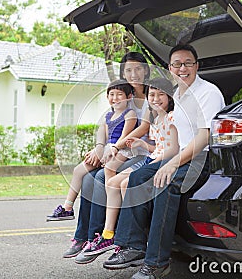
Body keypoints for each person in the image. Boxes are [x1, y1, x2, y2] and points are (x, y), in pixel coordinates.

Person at [102, 44, 225, 279]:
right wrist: (162, 159)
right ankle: (133, 246)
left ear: (196, 66)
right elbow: (175, 135)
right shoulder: (177, 94)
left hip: (202, 158)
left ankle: (158, 262)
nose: (182, 68)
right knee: (138, 176)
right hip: (180, 156)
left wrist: (172, 164)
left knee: (164, 184)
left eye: (187, 63)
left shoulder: (208, 93)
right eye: (176, 64)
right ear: (170, 68)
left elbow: (203, 136)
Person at [61, 52, 152, 264]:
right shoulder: (120, 95)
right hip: (117, 152)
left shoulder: (152, 96)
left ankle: (102, 236)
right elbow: (105, 126)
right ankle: (83, 237)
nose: (133, 74)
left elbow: (141, 131)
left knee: (102, 176)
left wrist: (114, 146)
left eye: (138, 68)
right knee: (87, 176)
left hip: (140, 153)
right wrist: (99, 148)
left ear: (146, 70)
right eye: (128, 70)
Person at [81, 78, 180, 257]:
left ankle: (135, 232)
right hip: (150, 158)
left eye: (161, 95)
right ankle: (109, 234)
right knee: (111, 183)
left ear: (170, 97)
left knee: (126, 184)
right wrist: (141, 145)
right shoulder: (155, 118)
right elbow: (156, 147)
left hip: (158, 162)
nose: (156, 99)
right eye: (152, 95)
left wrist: (156, 159)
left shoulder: (172, 118)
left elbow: (173, 149)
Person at [46, 79, 137, 221]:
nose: (115, 98)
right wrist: (99, 151)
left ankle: (110, 204)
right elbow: (105, 137)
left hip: (122, 149)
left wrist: (112, 150)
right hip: (108, 148)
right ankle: (67, 207)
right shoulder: (108, 116)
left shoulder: (129, 114)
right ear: (107, 97)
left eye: (119, 94)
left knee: (109, 168)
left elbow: (125, 137)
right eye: (111, 94)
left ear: (129, 96)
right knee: (78, 170)